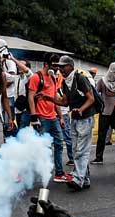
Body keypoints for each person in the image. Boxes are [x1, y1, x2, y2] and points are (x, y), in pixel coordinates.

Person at [42, 55, 97, 191]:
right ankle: (85, 179)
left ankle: (78, 179)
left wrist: (81, 109)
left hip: (85, 117)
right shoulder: (65, 82)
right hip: (76, 118)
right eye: (59, 67)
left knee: (81, 150)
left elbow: (91, 98)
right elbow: (65, 101)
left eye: (63, 66)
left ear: (71, 66)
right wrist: (49, 98)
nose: (60, 70)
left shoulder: (80, 78)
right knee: (74, 149)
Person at [28, 54, 69, 183]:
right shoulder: (36, 77)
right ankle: (31, 172)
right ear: (46, 64)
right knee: (41, 148)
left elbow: (55, 98)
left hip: (53, 117)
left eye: (58, 65)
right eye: (54, 65)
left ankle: (59, 173)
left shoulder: (53, 77)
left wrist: (61, 117)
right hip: (42, 117)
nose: (57, 68)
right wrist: (34, 117)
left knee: (58, 144)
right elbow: (30, 96)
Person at [92, 62, 115, 166]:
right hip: (105, 112)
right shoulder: (102, 81)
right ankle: (98, 157)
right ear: (110, 71)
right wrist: (99, 105)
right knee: (101, 136)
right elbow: (95, 93)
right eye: (114, 72)